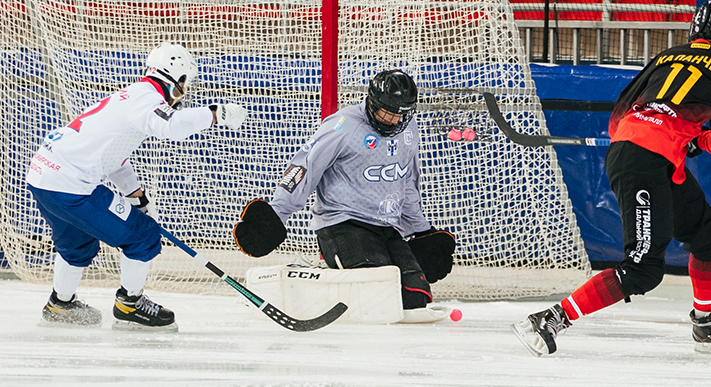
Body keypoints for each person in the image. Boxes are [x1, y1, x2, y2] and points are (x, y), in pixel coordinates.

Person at [512, 1, 711, 355]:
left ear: (694, 29)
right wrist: (694, 139)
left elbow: (618, 117)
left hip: (636, 150)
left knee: (709, 232)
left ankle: (705, 324)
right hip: (647, 161)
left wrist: (658, 138)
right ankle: (551, 318)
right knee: (642, 269)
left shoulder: (666, 56)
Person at [28, 42, 247, 332]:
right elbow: (171, 127)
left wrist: (135, 194)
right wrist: (215, 113)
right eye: (184, 85)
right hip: (70, 185)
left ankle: (60, 305)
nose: (183, 94)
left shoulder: (131, 96)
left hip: (43, 177)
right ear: (176, 79)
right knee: (143, 236)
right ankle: (130, 305)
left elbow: (114, 154)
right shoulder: (145, 100)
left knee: (78, 246)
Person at [232, 69, 455, 319]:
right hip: (342, 224)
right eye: (388, 113)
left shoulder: (408, 128)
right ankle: (316, 272)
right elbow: (305, 166)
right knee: (375, 290)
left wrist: (420, 230)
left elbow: (406, 180)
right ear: (372, 103)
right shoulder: (344, 126)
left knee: (415, 297)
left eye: (401, 115)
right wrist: (277, 213)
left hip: (386, 227)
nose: (394, 121)